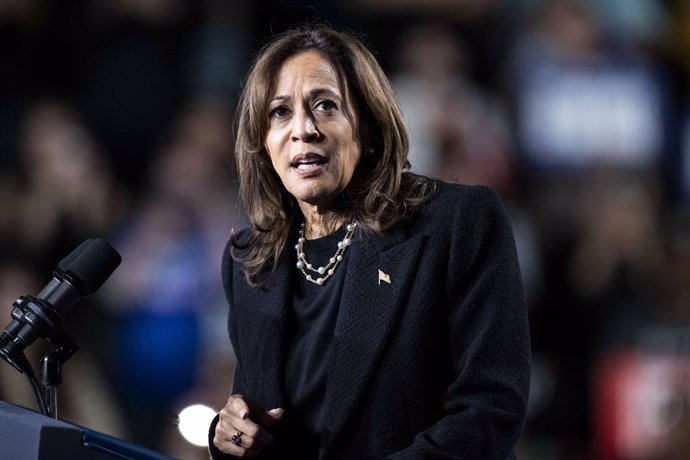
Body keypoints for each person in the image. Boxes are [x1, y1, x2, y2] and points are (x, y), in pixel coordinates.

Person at [208, 24, 530, 459]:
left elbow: (490, 411)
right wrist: (233, 437)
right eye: (279, 112)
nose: (303, 129)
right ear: (262, 142)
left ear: (369, 125)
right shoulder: (251, 263)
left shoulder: (457, 224)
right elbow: (260, 426)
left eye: (325, 106)